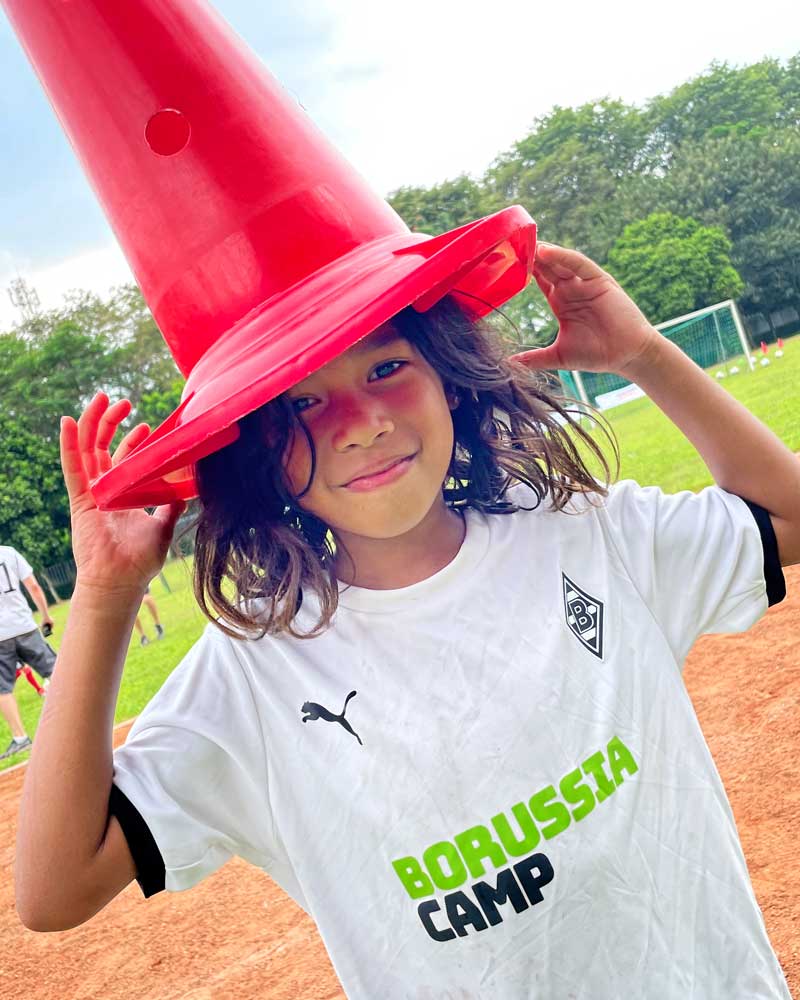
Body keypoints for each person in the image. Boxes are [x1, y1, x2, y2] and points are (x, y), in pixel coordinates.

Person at [15, 245, 798, 998]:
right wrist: (106, 595)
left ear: (450, 378)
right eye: (302, 403)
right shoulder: (254, 671)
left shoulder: (584, 533)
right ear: (260, 454)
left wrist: (644, 356)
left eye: (387, 368)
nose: (360, 424)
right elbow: (56, 889)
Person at [0, 545, 56, 759]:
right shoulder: (9, 553)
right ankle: (74, 719)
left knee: (3, 690)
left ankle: (20, 738)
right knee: (56, 673)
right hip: (24, 626)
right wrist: (45, 616)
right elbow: (33, 586)